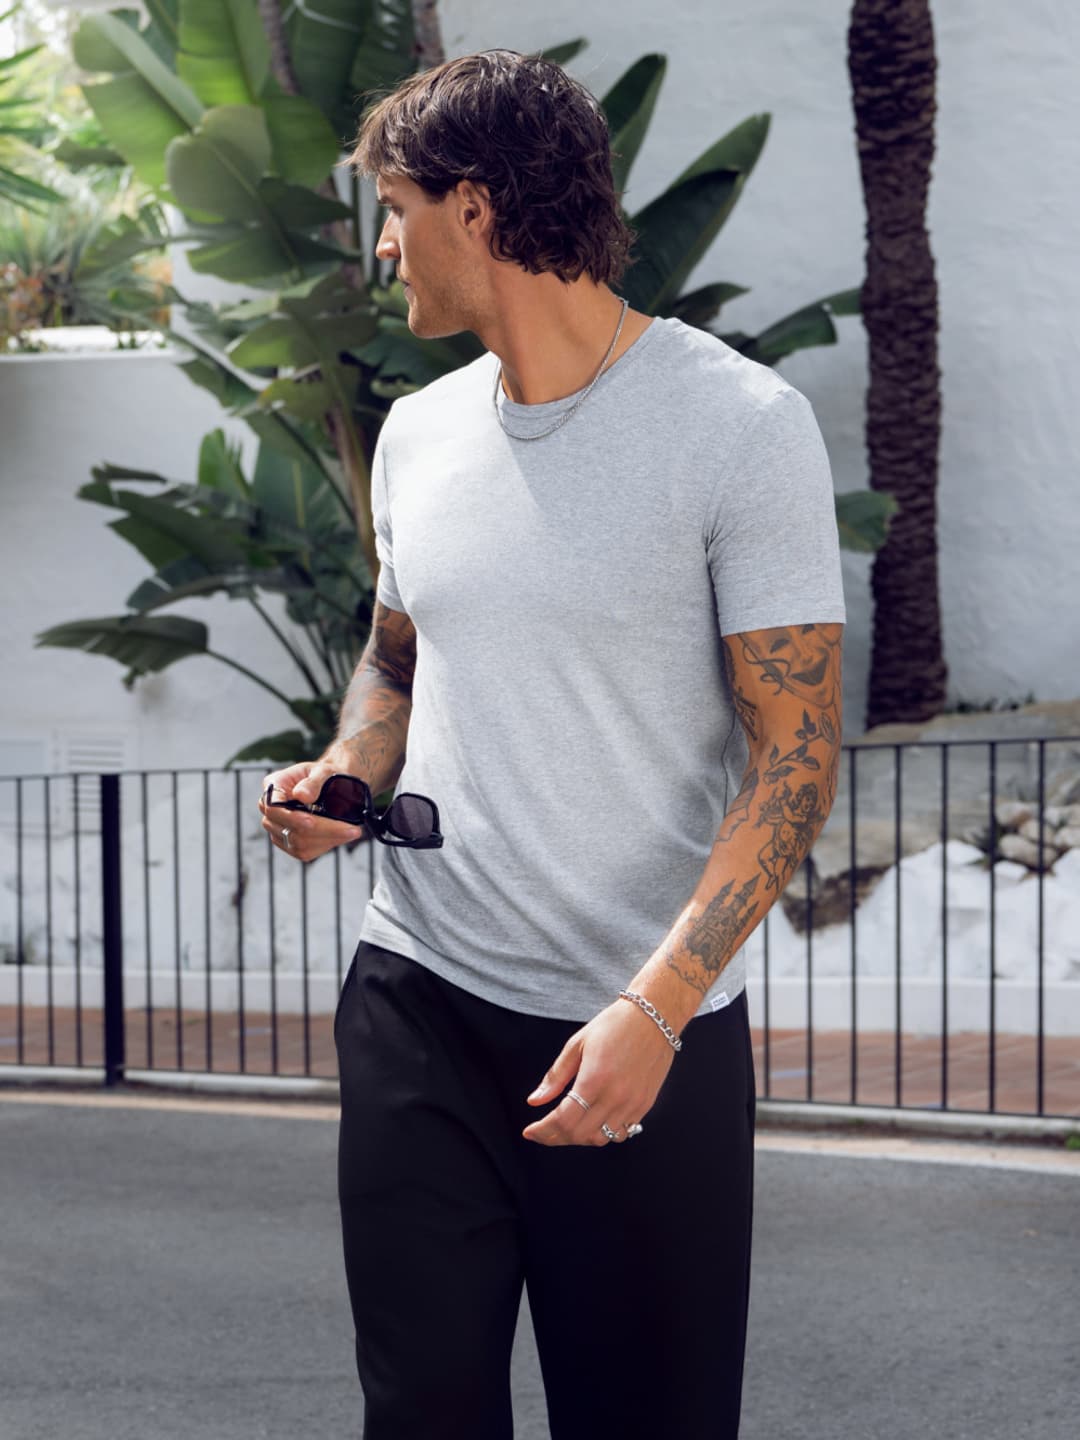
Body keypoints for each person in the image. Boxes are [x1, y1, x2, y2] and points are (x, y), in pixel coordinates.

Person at [259, 48, 845, 1440]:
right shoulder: (418, 435)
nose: (384, 247)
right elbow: (397, 657)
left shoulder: (741, 428)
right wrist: (351, 772)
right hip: (419, 998)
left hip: (638, 1033)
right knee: (421, 1413)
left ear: (474, 207)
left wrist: (657, 1014)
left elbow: (795, 758)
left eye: (395, 209)